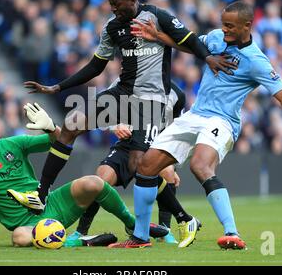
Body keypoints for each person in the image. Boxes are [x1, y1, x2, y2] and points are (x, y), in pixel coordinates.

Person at [10, 0, 235, 248]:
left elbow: (187, 38)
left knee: (142, 166)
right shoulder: (113, 26)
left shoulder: (157, 16)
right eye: (110, 3)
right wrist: (58, 87)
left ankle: (180, 218)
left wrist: (207, 57)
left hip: (151, 101)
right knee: (71, 124)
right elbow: (96, 65)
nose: (114, 8)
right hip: (123, 94)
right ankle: (42, 193)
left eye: (118, 3)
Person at [108, 1, 282, 249]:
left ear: (247, 26)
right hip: (195, 115)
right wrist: (157, 36)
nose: (225, 30)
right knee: (146, 166)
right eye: (223, 25)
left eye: (231, 26)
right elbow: (191, 45)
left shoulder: (256, 61)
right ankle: (140, 238)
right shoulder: (215, 37)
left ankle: (232, 233)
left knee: (200, 165)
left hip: (222, 120)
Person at [0, 104, 168, 247]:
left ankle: (131, 222)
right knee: (19, 238)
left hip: (50, 203)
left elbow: (57, 142)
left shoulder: (13, 144)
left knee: (94, 182)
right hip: (30, 225)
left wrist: (51, 127)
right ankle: (84, 241)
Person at [66, 81, 201, 248]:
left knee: (167, 172)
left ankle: (164, 230)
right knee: (102, 177)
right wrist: (115, 125)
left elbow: (176, 131)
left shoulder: (177, 95)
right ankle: (81, 231)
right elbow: (102, 109)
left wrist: (172, 163)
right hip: (127, 144)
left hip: (155, 146)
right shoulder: (125, 80)